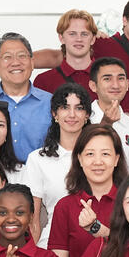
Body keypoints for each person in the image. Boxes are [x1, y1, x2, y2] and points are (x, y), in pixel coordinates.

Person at [48, 124, 129, 257]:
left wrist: (96, 228)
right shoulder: (65, 206)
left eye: (105, 154)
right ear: (79, 159)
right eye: (90, 154)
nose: (97, 162)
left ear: (116, 159)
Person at [23, 84, 91, 248]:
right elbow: (33, 220)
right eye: (65, 107)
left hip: (95, 243)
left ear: (87, 115)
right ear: (55, 114)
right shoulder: (38, 159)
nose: (72, 115)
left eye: (79, 108)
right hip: (53, 243)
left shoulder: (102, 155)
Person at [87, 56, 129, 171]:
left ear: (127, 84)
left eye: (120, 79)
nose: (115, 85)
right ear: (93, 86)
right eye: (107, 79)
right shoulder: (81, 119)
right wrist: (106, 123)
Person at [34, 10, 98, 95]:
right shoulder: (44, 81)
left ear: (93, 39)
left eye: (84, 34)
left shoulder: (108, 78)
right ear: (61, 38)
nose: (79, 39)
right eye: (72, 34)